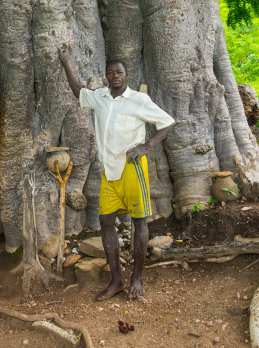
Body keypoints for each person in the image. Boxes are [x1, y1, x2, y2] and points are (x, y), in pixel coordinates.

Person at [58, 45, 175, 300]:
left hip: (133, 170)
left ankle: (137, 278)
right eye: (111, 72)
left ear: (125, 74)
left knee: (139, 222)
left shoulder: (138, 100)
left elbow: (167, 122)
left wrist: (146, 146)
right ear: (107, 75)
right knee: (105, 221)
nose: (115, 76)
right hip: (108, 171)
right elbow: (78, 92)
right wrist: (67, 62)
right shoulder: (100, 96)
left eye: (119, 72)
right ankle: (117, 280)